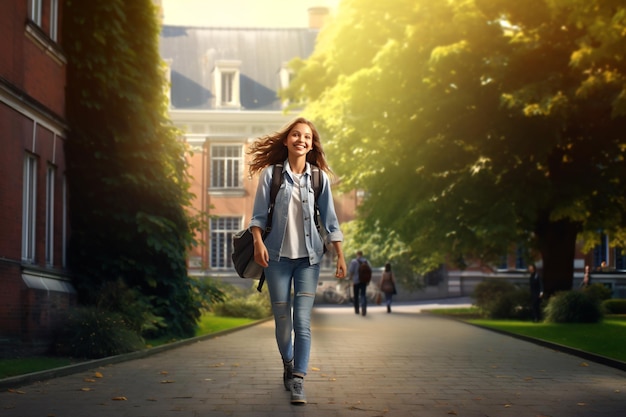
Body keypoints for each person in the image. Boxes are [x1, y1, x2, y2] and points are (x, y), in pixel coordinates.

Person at [248, 117, 347, 405]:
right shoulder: (271, 175)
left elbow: (330, 221)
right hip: (276, 259)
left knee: (302, 321)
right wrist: (257, 244)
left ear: (312, 144)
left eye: (307, 136)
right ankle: (288, 362)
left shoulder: (319, 179)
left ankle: (298, 380)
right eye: (295, 134)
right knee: (282, 321)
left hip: (309, 260)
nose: (301, 139)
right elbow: (257, 217)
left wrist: (340, 255)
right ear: (286, 140)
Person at [348, 251, 371, 316]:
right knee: (363, 294)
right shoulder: (366, 261)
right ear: (362, 254)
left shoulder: (354, 261)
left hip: (356, 281)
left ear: (357, 254)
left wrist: (350, 278)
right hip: (364, 281)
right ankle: (363, 307)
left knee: (356, 296)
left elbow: (351, 271)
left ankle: (357, 310)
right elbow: (369, 271)